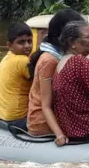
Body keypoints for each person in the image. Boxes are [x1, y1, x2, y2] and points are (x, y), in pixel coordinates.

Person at [27, 8, 85, 143]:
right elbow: (45, 105)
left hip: (58, 116)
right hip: (42, 122)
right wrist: (59, 134)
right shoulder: (49, 61)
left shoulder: (62, 57)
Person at [0, 22, 35, 130]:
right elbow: (43, 85)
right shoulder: (22, 60)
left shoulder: (6, 58)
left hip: (4, 118)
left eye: (29, 41)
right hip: (20, 120)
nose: (27, 46)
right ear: (9, 45)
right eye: (21, 42)